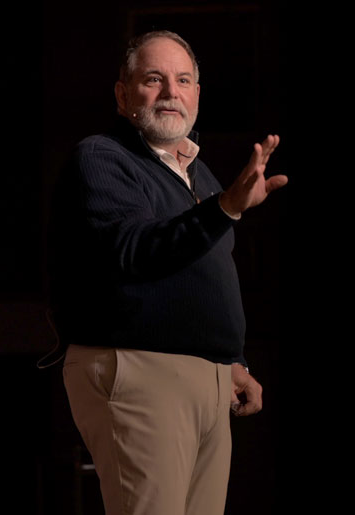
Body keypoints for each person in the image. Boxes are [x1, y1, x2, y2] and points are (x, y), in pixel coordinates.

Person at [49, 30, 287, 515]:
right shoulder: (102, 158)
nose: (170, 93)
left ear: (197, 94)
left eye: (182, 80)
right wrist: (224, 209)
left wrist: (232, 361)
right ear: (122, 94)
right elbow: (135, 250)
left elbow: (203, 277)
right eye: (153, 79)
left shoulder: (202, 176)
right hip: (140, 369)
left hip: (210, 381)